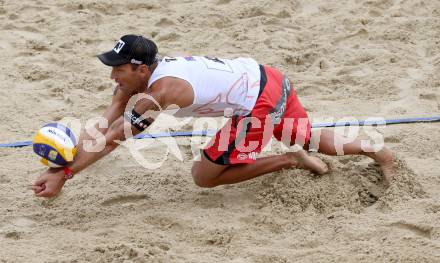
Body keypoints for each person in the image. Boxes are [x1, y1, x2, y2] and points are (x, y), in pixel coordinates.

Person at [32, 34, 395, 198]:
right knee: (314, 138)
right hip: (270, 77)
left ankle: (289, 160)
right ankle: (380, 153)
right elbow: (106, 120)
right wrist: (65, 158)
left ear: (142, 70)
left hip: (257, 104)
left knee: (204, 176)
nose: (113, 75)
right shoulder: (137, 80)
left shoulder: (160, 94)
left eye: (119, 69)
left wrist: (65, 174)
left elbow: (113, 139)